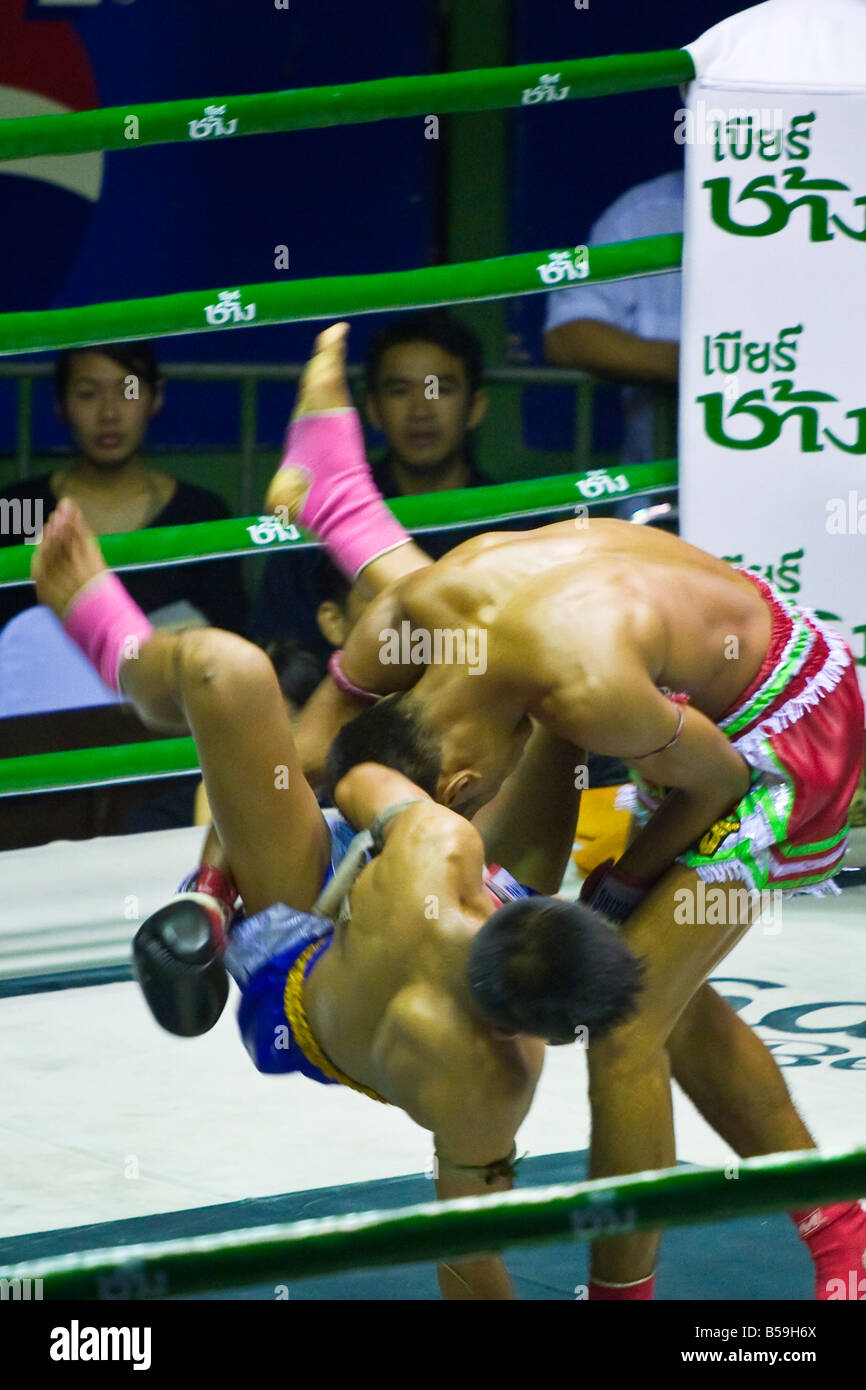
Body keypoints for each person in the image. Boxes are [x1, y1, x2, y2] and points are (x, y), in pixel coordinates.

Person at [267, 322, 866, 1301]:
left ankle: (622, 1301)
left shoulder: (581, 696)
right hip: (690, 690)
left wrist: (622, 881)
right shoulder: (435, 604)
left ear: (456, 776)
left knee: (624, 1015)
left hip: (780, 745)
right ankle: (840, 1228)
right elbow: (319, 729)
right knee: (674, 1000)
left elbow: (717, 784)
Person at [31, 494, 642, 1302]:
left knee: (236, 672)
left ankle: (217, 890)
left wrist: (426, 769)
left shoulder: (480, 1067)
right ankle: (331, 504)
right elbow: (342, 768)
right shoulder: (450, 874)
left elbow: (465, 1255)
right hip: (385, 891)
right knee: (551, 687)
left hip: (300, 961)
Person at [250, 309, 496, 653]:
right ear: (374, 409)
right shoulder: (305, 546)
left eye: (439, 389)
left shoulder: (519, 524)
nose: (420, 410)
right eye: (399, 391)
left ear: (476, 407)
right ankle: (341, 503)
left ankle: (342, 506)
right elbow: (284, 653)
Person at [0, 341, 247, 643]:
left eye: (128, 390)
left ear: (156, 397)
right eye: (87, 394)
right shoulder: (18, 509)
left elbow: (231, 643)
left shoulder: (202, 514)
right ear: (61, 404)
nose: (108, 413)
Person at [543, 169, 684, 523]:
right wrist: (707, 367)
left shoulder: (831, 210)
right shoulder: (645, 213)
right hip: (658, 510)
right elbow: (567, 334)